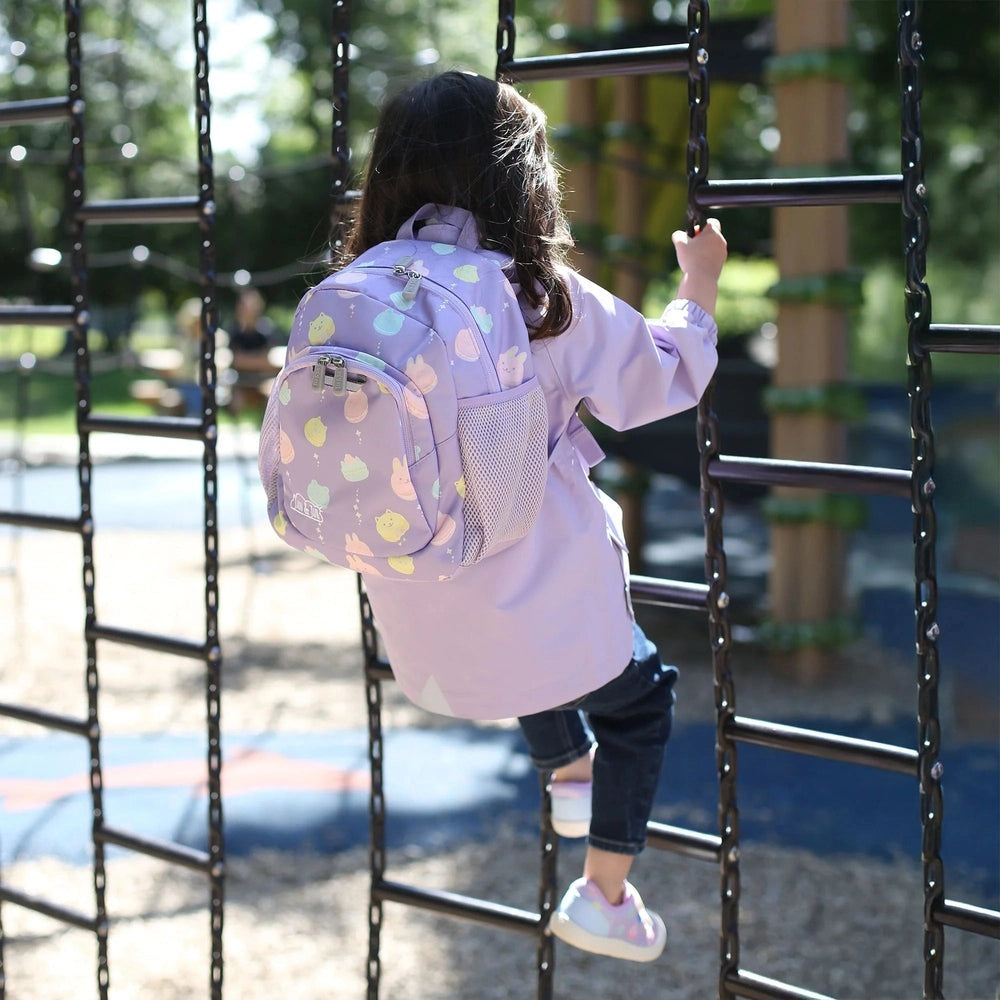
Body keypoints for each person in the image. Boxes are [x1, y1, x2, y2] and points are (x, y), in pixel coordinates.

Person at [342, 71, 727, 963]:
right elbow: (661, 376)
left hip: (422, 612)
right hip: (535, 593)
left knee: (525, 623)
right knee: (638, 698)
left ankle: (567, 770)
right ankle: (603, 894)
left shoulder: (359, 291)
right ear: (526, 180)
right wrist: (698, 285)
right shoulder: (540, 298)